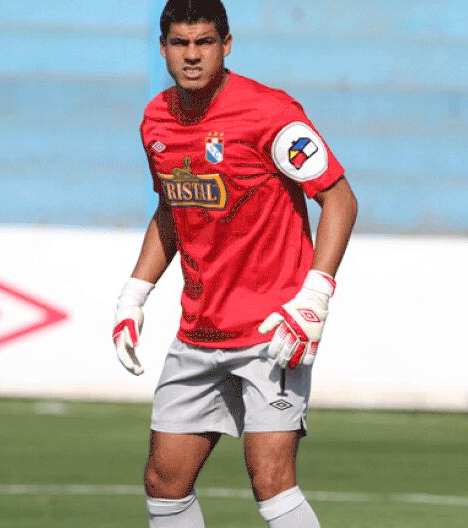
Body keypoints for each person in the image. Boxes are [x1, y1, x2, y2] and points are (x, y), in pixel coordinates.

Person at [112, 1, 357, 526]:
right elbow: (171, 209)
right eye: (180, 43)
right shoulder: (155, 120)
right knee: (164, 483)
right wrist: (134, 294)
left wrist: (315, 296)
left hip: (272, 331)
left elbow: (339, 198)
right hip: (199, 331)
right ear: (162, 49)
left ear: (226, 45)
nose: (192, 55)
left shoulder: (270, 113)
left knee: (271, 481)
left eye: (204, 42)